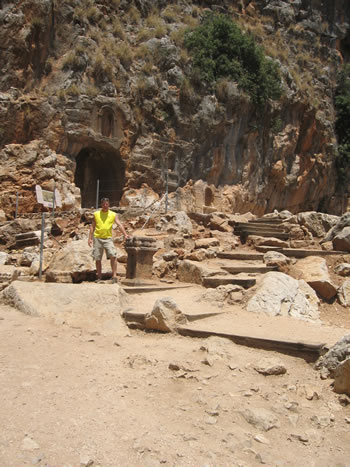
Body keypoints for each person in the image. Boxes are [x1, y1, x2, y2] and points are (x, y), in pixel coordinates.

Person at [88, 197, 130, 282]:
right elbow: (92, 226)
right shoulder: (96, 214)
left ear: (109, 204)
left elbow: (119, 224)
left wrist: (125, 234)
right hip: (97, 238)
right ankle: (99, 277)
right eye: (103, 204)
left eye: (106, 204)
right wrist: (90, 238)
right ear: (101, 205)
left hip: (108, 238)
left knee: (113, 255)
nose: (105, 206)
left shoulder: (113, 214)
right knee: (98, 258)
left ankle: (114, 276)